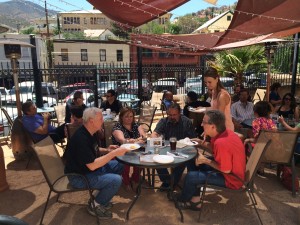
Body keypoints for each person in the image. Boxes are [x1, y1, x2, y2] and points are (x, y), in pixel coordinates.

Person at [64, 107, 128, 219]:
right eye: (101, 118)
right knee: (116, 180)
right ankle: (95, 205)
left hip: (88, 170)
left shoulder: (90, 132)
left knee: (120, 164)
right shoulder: (81, 138)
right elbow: (92, 165)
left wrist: (108, 149)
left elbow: (94, 150)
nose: (103, 121)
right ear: (91, 121)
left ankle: (98, 198)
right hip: (79, 177)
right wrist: (113, 154)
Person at [176, 110, 245, 210]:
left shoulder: (221, 143)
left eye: (204, 122)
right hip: (230, 171)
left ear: (213, 126)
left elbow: (226, 170)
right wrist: (200, 142)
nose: (201, 124)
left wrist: (205, 160)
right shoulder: (224, 133)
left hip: (231, 179)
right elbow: (215, 149)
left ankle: (183, 200)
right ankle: (195, 200)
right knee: (192, 161)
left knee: (191, 177)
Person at [151, 103, 197, 189]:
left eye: (174, 115)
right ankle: (167, 180)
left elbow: (193, 139)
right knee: (155, 158)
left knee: (183, 161)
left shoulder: (186, 122)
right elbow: (154, 134)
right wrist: (156, 141)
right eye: (170, 115)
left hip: (184, 149)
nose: (172, 117)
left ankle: (173, 183)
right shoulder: (164, 121)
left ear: (179, 113)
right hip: (167, 148)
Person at [112, 107, 146, 190]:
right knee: (125, 163)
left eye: (131, 116)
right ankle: (126, 182)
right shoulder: (117, 127)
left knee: (143, 159)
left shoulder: (136, 125)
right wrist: (133, 140)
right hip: (121, 152)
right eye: (126, 116)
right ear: (121, 117)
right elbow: (121, 140)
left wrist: (141, 138)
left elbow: (144, 137)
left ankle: (135, 178)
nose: (129, 119)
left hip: (135, 151)